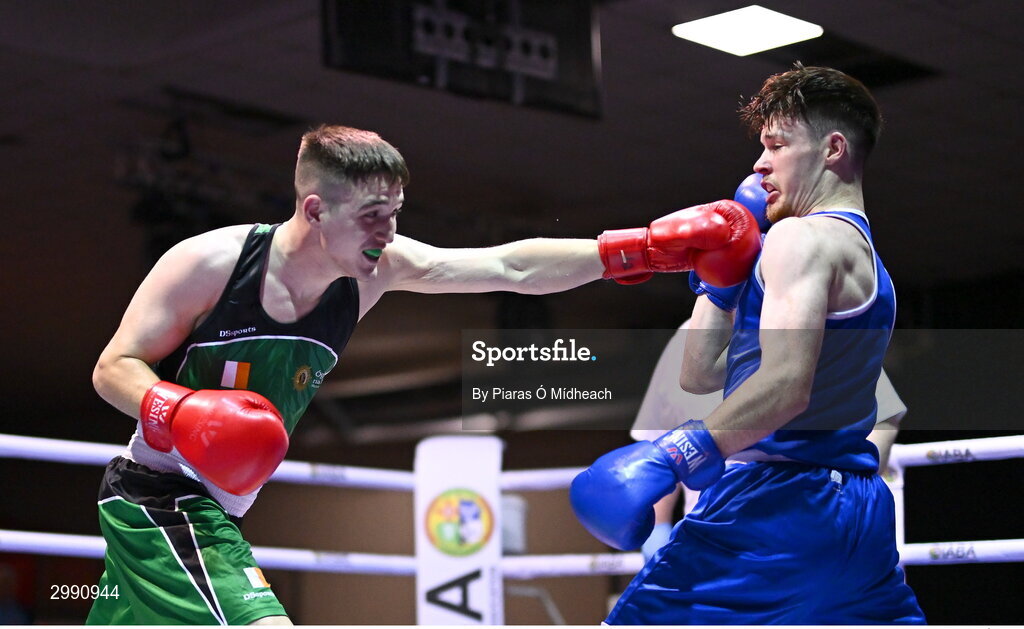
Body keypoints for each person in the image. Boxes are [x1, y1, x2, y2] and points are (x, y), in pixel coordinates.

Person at [85, 124, 762, 625]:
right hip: (160, 498)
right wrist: (181, 411)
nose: (388, 230)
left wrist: (636, 250)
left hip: (217, 505)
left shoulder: (373, 273)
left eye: (396, 210)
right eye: (372, 215)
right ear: (316, 209)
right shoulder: (211, 263)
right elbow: (112, 366)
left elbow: (508, 268)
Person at [571, 64, 926, 623]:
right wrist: (721, 279)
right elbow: (701, 374)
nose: (759, 164)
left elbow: (786, 386)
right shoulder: (870, 261)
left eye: (776, 145)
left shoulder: (800, 237)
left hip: (776, 504)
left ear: (832, 149)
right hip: (858, 512)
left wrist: (677, 452)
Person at [633, 176, 909, 562]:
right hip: (710, 529)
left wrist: (845, 478)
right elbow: (656, 437)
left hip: (804, 514)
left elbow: (883, 416)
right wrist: (658, 529)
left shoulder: (810, 325)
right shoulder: (687, 337)